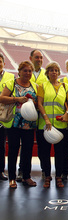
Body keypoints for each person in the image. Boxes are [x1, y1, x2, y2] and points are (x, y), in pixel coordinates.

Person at [0, 61, 38, 188]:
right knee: (13, 151)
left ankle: (26, 176)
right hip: (14, 124)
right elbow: (2, 98)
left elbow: (39, 104)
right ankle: (12, 178)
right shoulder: (12, 83)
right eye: (25, 70)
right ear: (19, 71)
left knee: (27, 151)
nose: (27, 73)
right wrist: (17, 99)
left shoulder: (35, 86)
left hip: (29, 125)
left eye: (29, 71)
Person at [37, 61, 68, 188]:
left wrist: (67, 113)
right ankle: (47, 176)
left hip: (60, 125)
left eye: (56, 70)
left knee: (60, 153)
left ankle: (59, 176)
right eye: (51, 70)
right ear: (47, 73)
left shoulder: (65, 86)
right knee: (44, 153)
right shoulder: (42, 86)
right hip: (44, 125)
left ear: (59, 73)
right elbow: (40, 104)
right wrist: (46, 118)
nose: (54, 72)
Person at [28, 49, 48, 181]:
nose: (39, 60)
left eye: (41, 57)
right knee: (26, 145)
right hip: (26, 114)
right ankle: (23, 171)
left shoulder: (46, 75)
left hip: (40, 115)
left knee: (42, 145)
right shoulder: (26, 70)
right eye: (36, 57)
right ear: (31, 58)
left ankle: (44, 169)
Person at [0, 53, 14, 181]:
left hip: (4, 116)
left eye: (0, 61)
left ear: (4, 64)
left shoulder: (10, 77)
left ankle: (0, 171)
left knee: (1, 145)